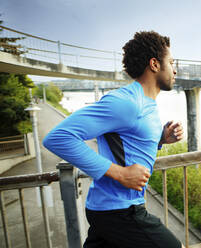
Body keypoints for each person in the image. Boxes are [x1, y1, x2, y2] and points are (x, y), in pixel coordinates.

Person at [43, 31, 185, 248]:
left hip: (111, 208)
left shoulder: (146, 103)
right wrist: (121, 173)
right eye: (171, 62)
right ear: (155, 64)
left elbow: (127, 142)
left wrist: (161, 139)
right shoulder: (125, 102)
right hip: (120, 210)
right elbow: (58, 137)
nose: (175, 70)